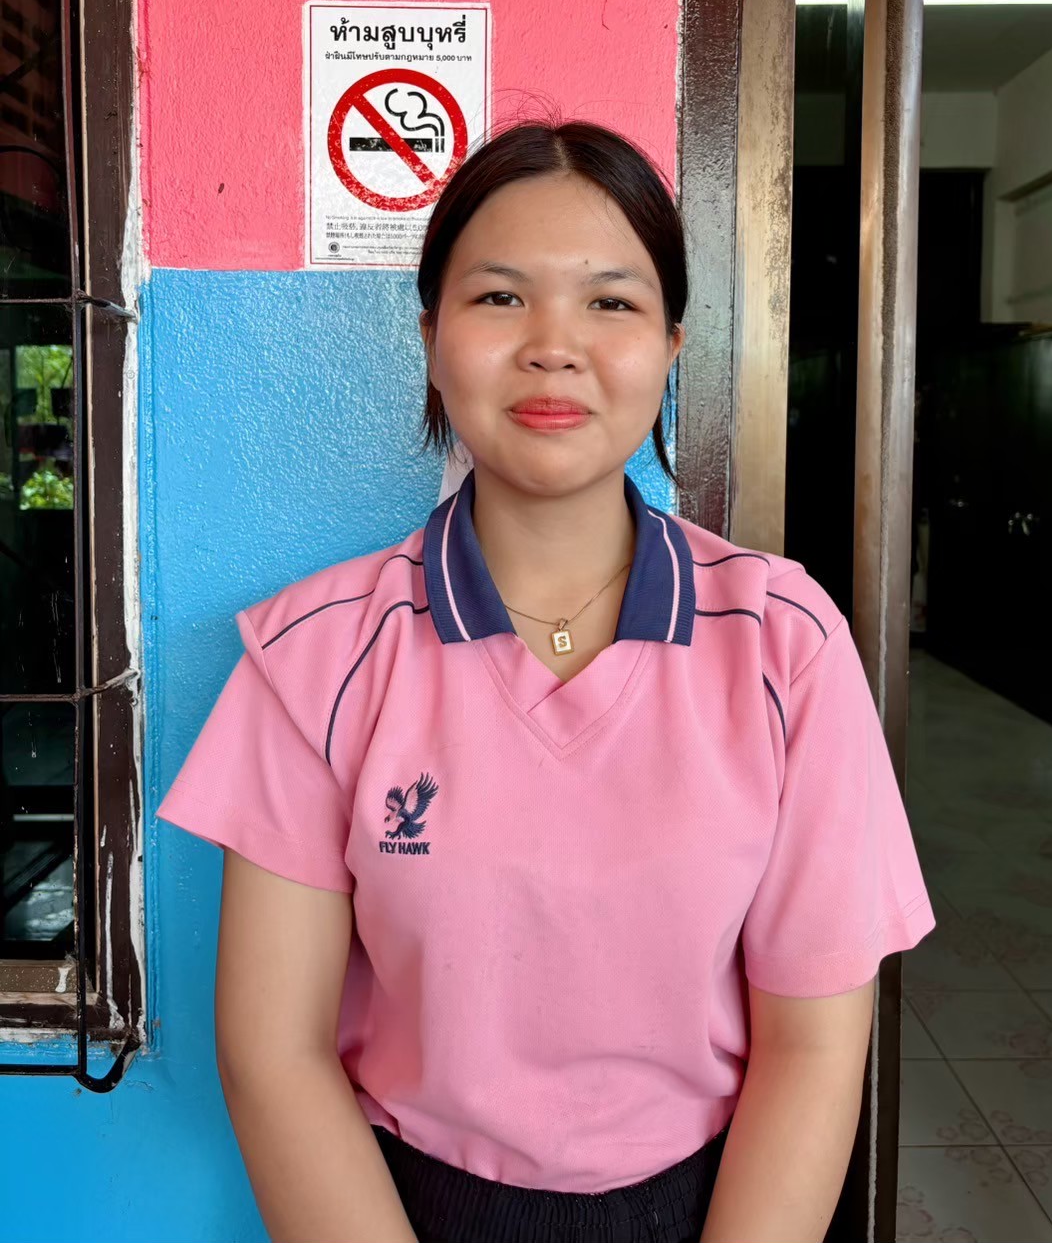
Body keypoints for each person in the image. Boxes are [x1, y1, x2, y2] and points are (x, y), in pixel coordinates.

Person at [156, 120, 936, 1243]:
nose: (554, 346)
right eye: (500, 297)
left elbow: (814, 1046)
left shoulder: (785, 645)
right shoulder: (316, 656)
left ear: (671, 344)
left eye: (610, 302)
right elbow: (273, 1051)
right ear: (432, 335)